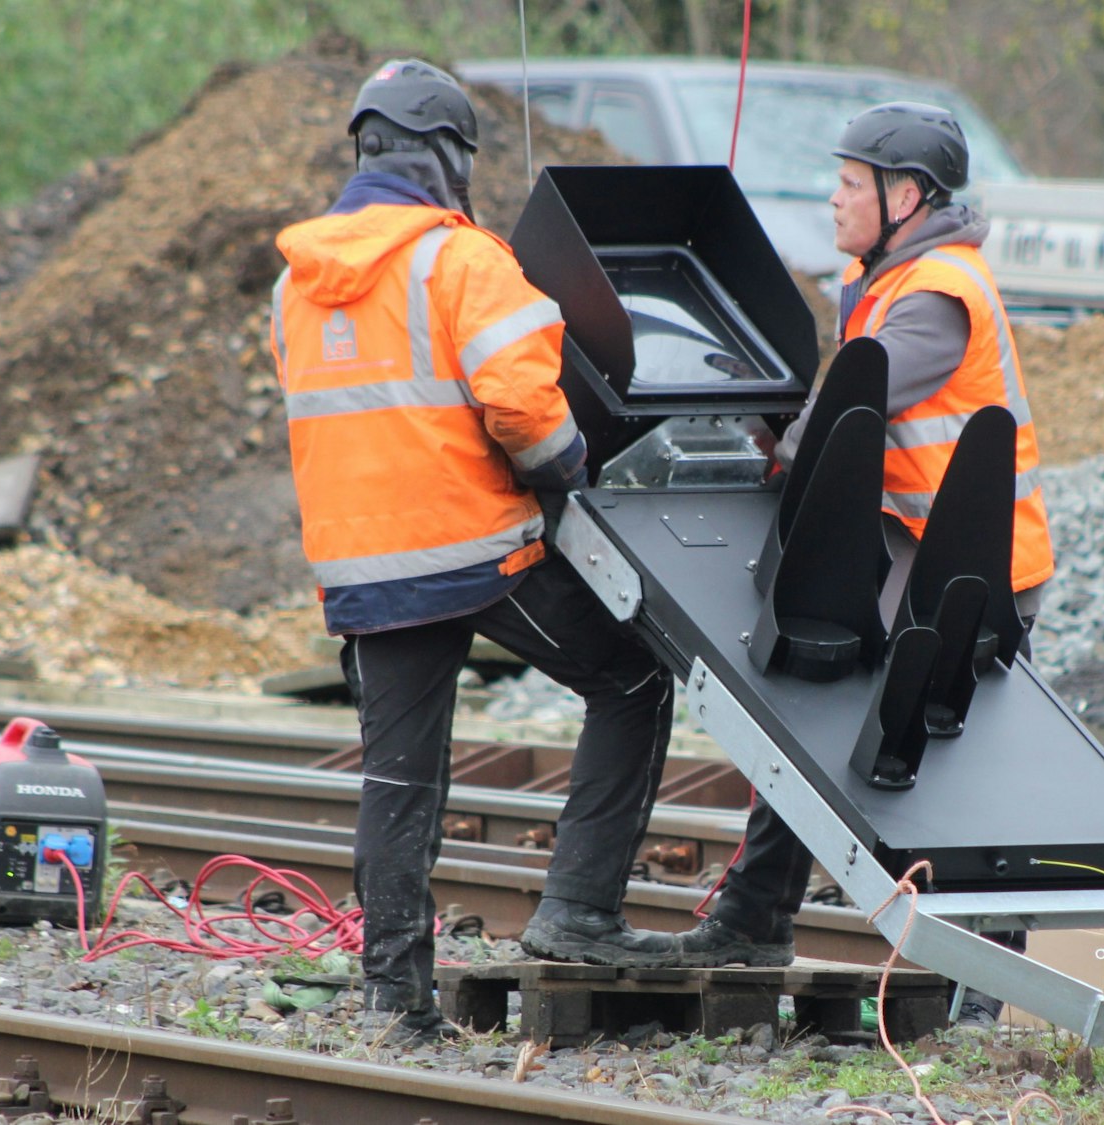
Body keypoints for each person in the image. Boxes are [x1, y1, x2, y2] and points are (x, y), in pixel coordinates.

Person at [270, 59, 679, 1047]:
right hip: (476, 550)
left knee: (400, 783)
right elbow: (527, 417)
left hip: (366, 573)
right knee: (632, 682)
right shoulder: (463, 261)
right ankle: (578, 909)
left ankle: (393, 1005)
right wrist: (573, 468)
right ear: (447, 155)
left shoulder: (296, 279)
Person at [672, 102, 1056, 1027]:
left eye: (850, 184)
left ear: (907, 196)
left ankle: (987, 991)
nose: (834, 199)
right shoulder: (886, 274)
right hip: (911, 553)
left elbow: (861, 399)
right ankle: (755, 913)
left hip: (978, 573)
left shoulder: (938, 294)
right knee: (804, 707)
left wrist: (784, 450)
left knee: (966, 769)